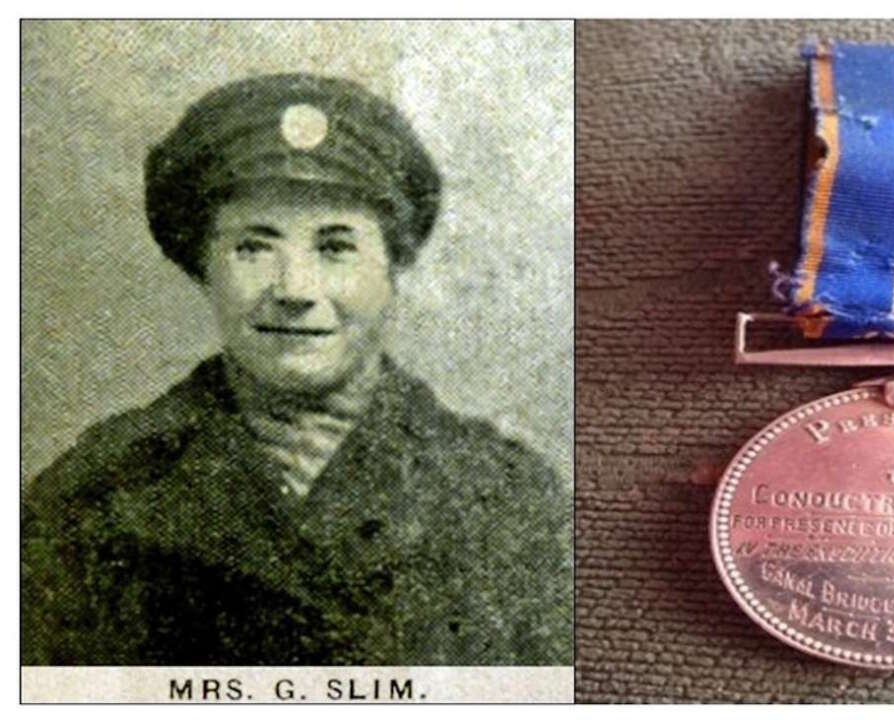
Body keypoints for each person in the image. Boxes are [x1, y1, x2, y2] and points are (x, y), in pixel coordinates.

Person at [20, 74, 572, 666]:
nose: (295, 290)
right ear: (205, 266)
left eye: (335, 248)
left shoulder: (506, 501)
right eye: (254, 247)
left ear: (392, 269)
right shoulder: (93, 498)